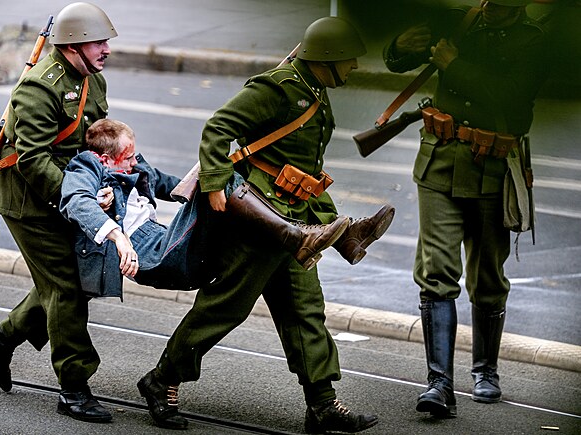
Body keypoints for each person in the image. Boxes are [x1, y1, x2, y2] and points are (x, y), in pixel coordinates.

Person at [136, 17, 394, 433]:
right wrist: (215, 185)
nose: (355, 67)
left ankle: (322, 405)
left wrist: (323, 216)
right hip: (259, 219)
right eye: (349, 59)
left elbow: (304, 168)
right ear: (326, 58)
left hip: (296, 224)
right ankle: (161, 379)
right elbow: (218, 128)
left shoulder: (314, 88)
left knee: (305, 310)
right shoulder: (278, 88)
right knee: (225, 308)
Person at [383, 0, 548, 418]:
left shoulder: (534, 42)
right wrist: (399, 47)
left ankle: (485, 371)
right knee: (436, 272)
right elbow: (400, 61)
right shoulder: (462, 22)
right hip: (439, 164)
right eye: (489, 1)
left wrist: (453, 65)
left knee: (487, 276)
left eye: (502, 6)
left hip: (494, 171)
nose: (491, 9)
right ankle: (439, 383)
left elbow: (510, 98)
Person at [0, 2, 118, 423]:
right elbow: (33, 160)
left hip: (68, 196)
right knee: (67, 289)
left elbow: (92, 140)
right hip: (30, 205)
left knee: (65, 283)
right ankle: (73, 386)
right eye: (98, 42)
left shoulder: (92, 80)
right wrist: (80, 201)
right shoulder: (38, 88)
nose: (107, 49)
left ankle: (2, 337)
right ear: (73, 45)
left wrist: (112, 172)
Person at [60, 118, 349, 297]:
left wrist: (202, 183)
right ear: (104, 160)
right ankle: (296, 235)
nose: (135, 162)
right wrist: (118, 237)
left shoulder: (135, 166)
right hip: (149, 254)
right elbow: (78, 201)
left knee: (222, 175)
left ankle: (306, 235)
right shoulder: (88, 166)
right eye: (128, 158)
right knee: (220, 176)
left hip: (161, 238)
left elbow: (171, 186)